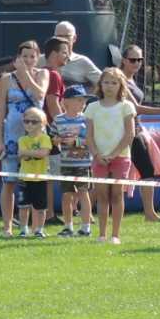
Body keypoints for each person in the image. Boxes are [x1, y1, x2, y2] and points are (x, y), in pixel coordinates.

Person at [0, 40, 52, 237]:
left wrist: (26, 73)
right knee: (9, 182)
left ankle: (35, 227)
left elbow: (39, 94)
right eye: (24, 56)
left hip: (35, 137)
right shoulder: (6, 79)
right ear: (17, 57)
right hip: (12, 135)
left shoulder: (43, 74)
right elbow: (1, 110)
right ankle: (8, 226)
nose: (28, 60)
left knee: (34, 182)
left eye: (32, 56)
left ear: (37, 58)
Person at [119, 43, 160, 222]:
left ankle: (150, 213)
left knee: (144, 171)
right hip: (127, 132)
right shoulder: (120, 79)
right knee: (140, 171)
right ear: (123, 60)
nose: (137, 63)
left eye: (139, 59)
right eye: (132, 60)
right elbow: (135, 108)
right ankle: (149, 214)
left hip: (136, 129)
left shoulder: (131, 79)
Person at [86, 67, 137, 245]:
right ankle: (101, 234)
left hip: (121, 156)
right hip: (99, 157)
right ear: (100, 84)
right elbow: (89, 136)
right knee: (101, 195)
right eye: (106, 82)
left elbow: (130, 134)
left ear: (120, 85)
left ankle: (115, 235)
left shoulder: (126, 106)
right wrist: (96, 154)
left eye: (114, 83)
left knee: (116, 194)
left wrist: (114, 154)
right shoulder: (92, 107)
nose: (109, 86)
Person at [52, 85, 94, 237]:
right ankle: (68, 226)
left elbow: (89, 140)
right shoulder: (58, 120)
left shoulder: (86, 120)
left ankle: (85, 227)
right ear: (66, 102)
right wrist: (56, 140)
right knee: (66, 195)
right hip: (66, 164)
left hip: (83, 164)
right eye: (79, 100)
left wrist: (74, 143)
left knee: (83, 193)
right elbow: (52, 137)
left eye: (83, 101)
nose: (82, 103)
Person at [15, 107, 53, 237]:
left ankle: (39, 230)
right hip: (24, 178)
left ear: (43, 124)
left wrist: (28, 152)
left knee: (40, 207)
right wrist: (32, 153)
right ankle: (23, 229)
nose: (30, 124)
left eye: (34, 121)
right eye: (26, 121)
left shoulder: (45, 138)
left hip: (40, 178)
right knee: (23, 206)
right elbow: (22, 155)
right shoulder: (22, 140)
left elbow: (43, 153)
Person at [46, 23, 102, 87]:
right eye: (59, 36)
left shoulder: (82, 62)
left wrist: (88, 94)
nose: (63, 40)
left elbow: (104, 82)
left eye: (67, 36)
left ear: (74, 38)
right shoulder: (41, 60)